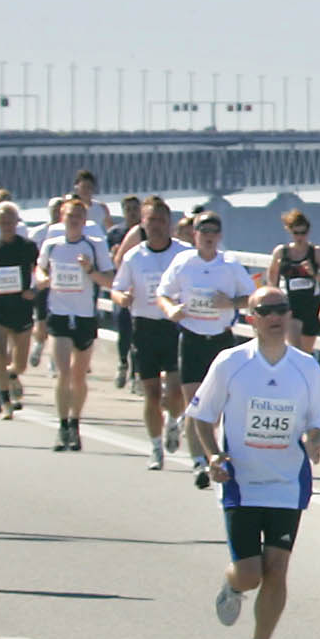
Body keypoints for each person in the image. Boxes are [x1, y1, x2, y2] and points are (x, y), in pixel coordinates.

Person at [195, 290, 320, 639]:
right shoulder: (231, 362)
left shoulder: (305, 367)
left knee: (277, 569)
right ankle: (232, 583)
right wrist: (212, 456)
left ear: (289, 315)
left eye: (281, 310)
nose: (275, 316)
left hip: (287, 483)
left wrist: (316, 441)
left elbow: (319, 420)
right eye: (266, 311)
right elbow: (202, 417)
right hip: (241, 481)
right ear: (252, 317)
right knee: (250, 573)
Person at [158, 213, 249, 488]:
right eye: (203, 230)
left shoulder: (230, 265)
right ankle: (199, 463)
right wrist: (171, 309)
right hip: (192, 338)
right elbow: (163, 294)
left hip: (220, 341)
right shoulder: (183, 263)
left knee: (217, 407)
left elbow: (252, 297)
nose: (208, 235)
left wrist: (230, 303)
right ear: (194, 234)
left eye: (213, 231)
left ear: (219, 235)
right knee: (195, 404)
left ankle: (214, 456)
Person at [111, 199, 186, 468]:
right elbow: (116, 287)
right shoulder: (134, 256)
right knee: (152, 393)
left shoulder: (183, 253)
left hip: (174, 327)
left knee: (176, 391)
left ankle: (174, 422)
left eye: (161, 221)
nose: (155, 226)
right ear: (143, 223)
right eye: (150, 220)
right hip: (144, 327)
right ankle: (155, 448)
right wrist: (122, 298)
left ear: (169, 224)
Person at [37, 199, 111, 450]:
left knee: (78, 375)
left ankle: (75, 423)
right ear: (62, 216)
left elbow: (109, 280)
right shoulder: (52, 244)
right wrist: (43, 278)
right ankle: (62, 425)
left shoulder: (94, 245)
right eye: (70, 215)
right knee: (63, 372)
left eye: (79, 216)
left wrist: (90, 270)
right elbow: (39, 271)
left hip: (84, 316)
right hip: (58, 314)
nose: (74, 220)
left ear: (85, 219)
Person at [0, 200, 41, 419]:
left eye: (10, 221)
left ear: (16, 221)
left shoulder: (28, 247)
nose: (7, 225)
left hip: (21, 306)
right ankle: (5, 403)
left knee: (19, 363)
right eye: (2, 222)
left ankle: (12, 376)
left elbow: (38, 271)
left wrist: (34, 289)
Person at [267, 208, 320, 362]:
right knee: (294, 350)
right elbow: (272, 278)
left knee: (306, 355)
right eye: (296, 233)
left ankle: (305, 382)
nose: (300, 237)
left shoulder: (316, 252)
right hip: (290, 306)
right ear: (289, 231)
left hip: (311, 306)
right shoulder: (282, 252)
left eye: (303, 233)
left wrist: (314, 272)